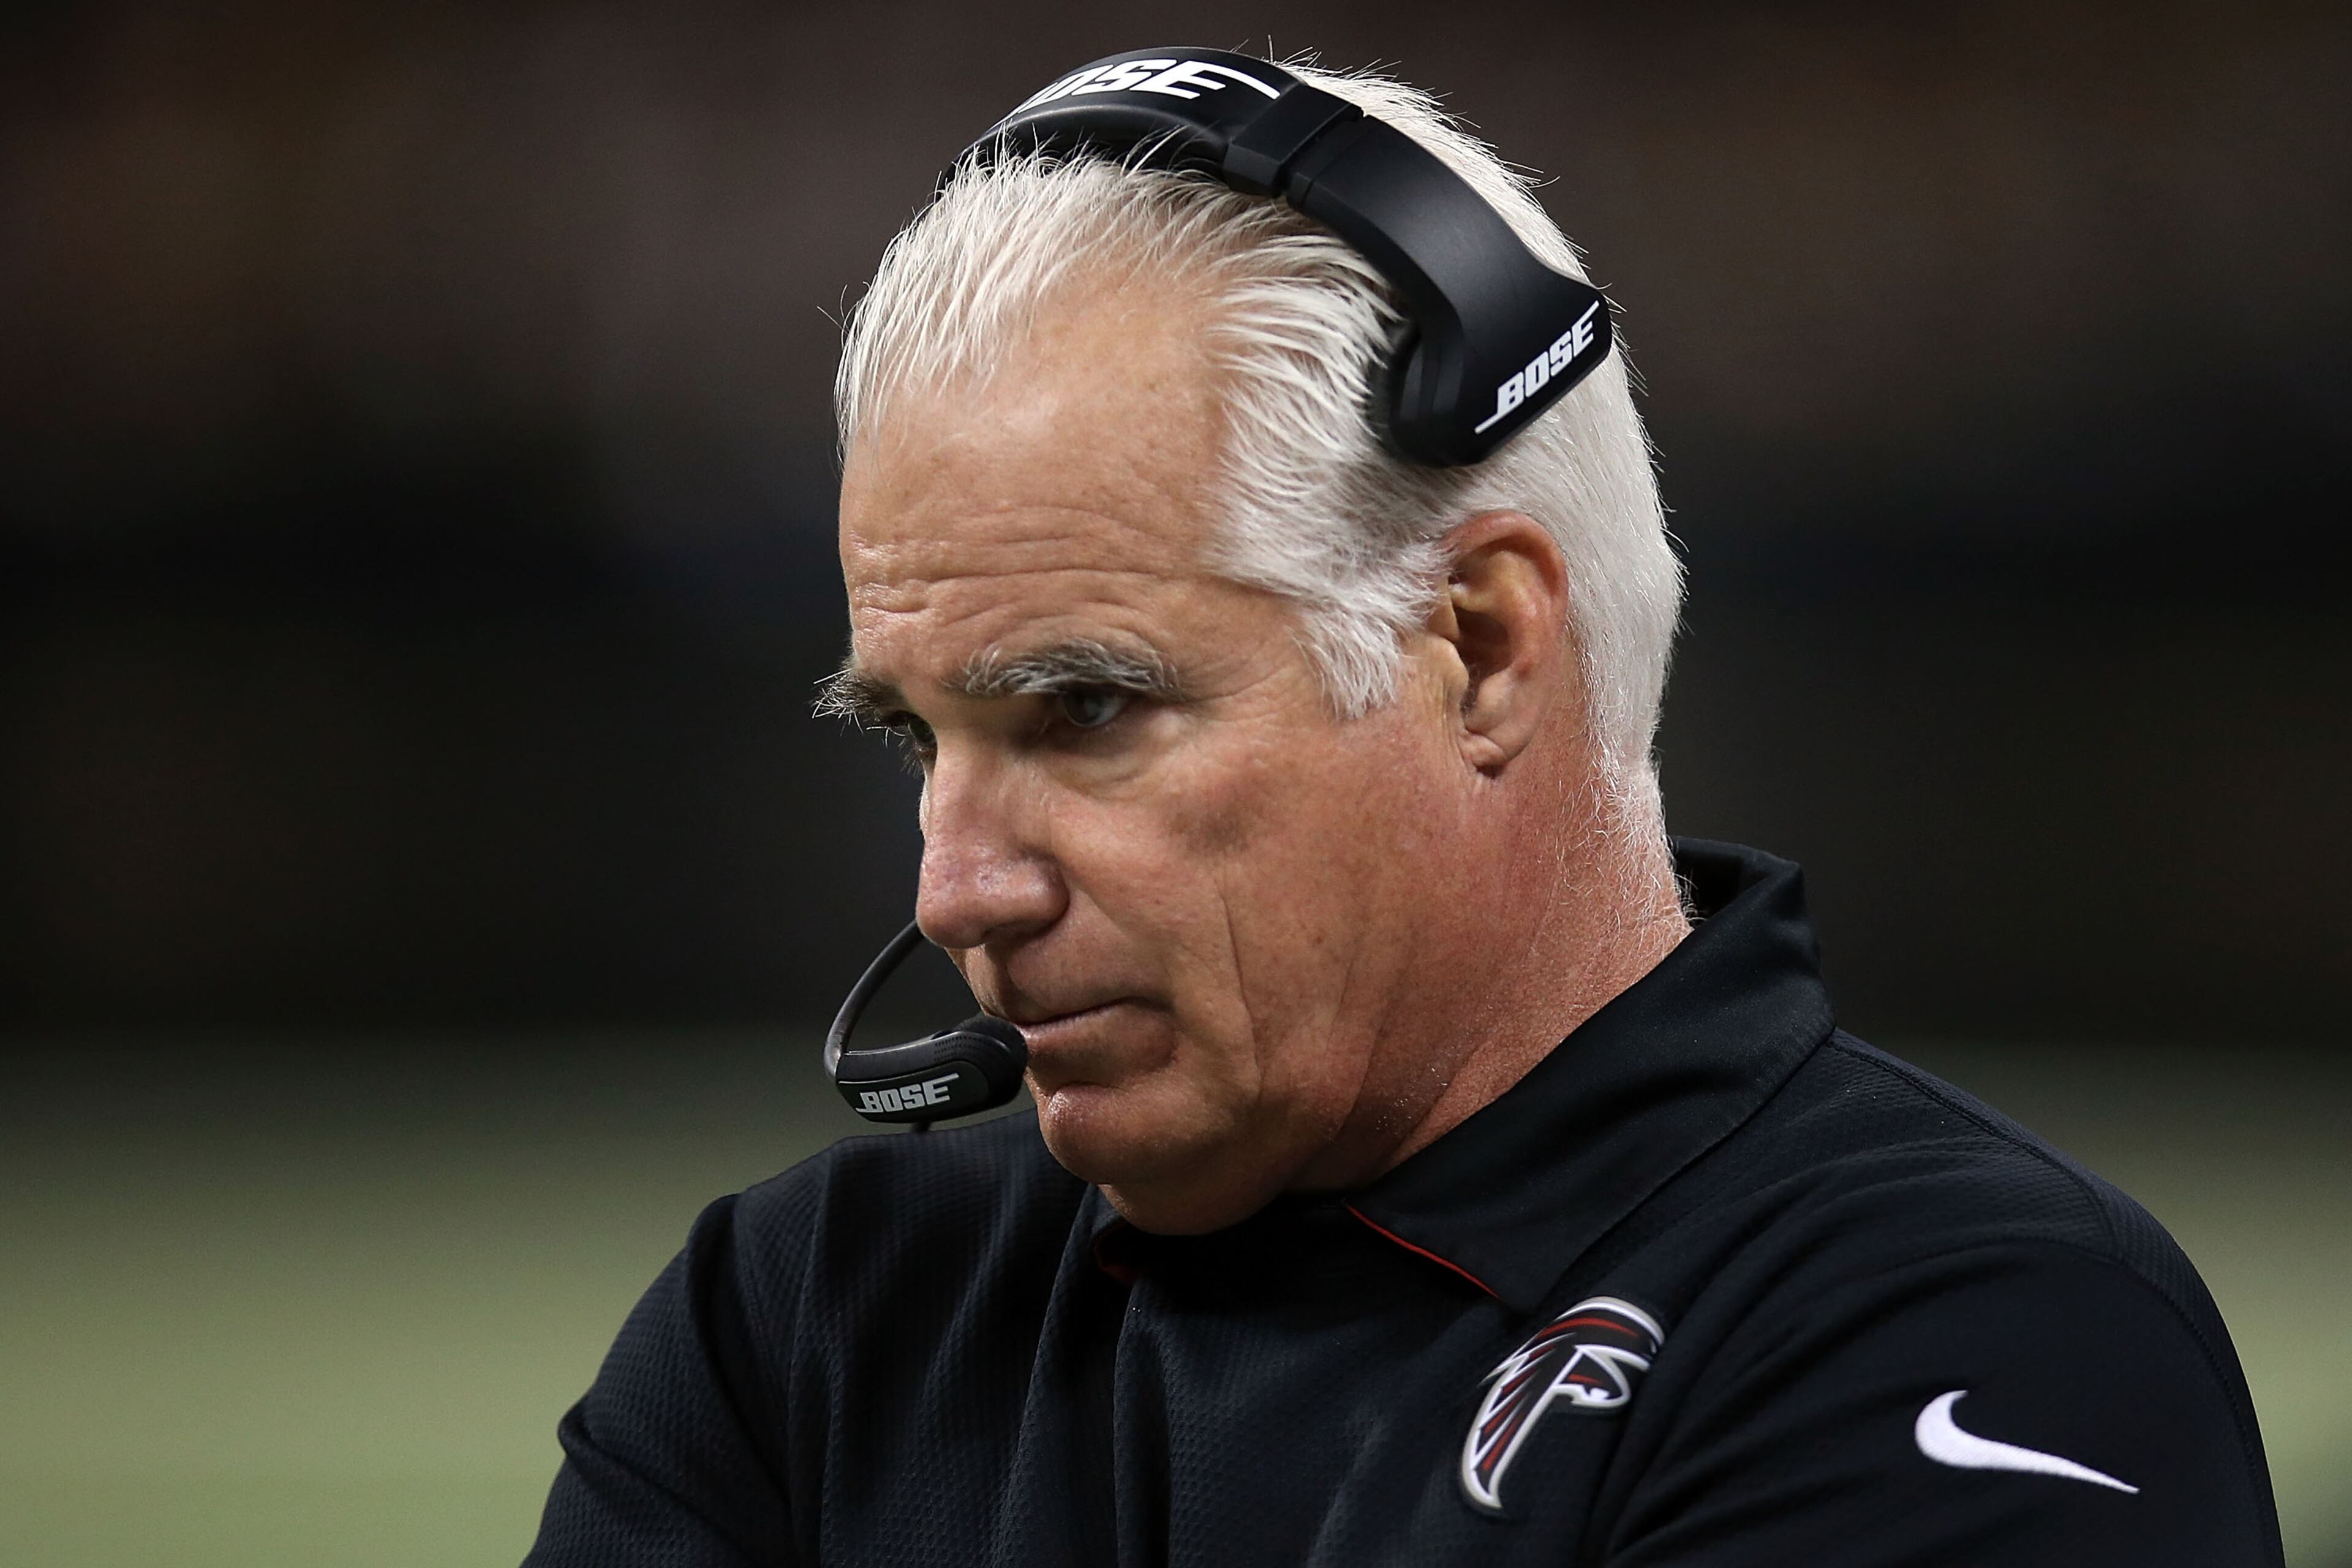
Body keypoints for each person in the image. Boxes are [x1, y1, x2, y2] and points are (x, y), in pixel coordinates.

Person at [524, 51, 2281, 1567]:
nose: (961, 889)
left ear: (1484, 648)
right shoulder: (805, 1323)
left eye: (1084, 708)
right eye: (921, 740)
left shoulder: (1968, 1331)